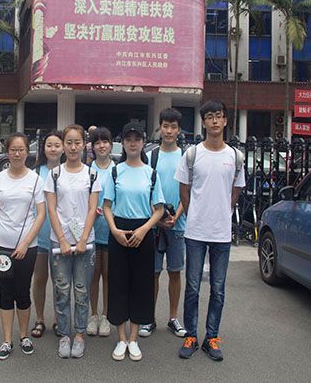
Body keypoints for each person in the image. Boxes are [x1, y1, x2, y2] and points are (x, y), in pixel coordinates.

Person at [175, 100, 246, 361]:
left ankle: (211, 337)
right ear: (203, 122)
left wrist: (222, 213)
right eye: (209, 117)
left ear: (225, 120)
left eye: (219, 116)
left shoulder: (235, 157)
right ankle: (191, 335)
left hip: (221, 234)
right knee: (192, 287)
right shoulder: (192, 154)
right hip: (195, 232)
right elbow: (184, 190)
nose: (214, 121)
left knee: (218, 288)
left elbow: (235, 191)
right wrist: (194, 213)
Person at [102, 122, 165, 362]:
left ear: (143, 142)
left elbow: (159, 209)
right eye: (128, 139)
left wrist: (144, 229)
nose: (132, 143)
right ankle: (121, 338)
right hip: (118, 230)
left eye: (137, 139)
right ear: (123, 143)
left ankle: (134, 338)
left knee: (141, 285)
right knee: (118, 284)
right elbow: (107, 206)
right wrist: (114, 230)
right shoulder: (115, 171)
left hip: (143, 232)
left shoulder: (151, 173)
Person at [0, 133, 46, 360]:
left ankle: (23, 336)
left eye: (21, 150)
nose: (17, 154)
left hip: (27, 248)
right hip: (2, 247)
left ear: (27, 152)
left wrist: (25, 243)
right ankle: (7, 340)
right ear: (7, 152)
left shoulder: (35, 180)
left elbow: (41, 215)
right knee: (5, 293)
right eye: (13, 150)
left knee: (23, 291)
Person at [44, 124, 100, 359]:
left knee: (81, 290)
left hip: (85, 244)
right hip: (59, 243)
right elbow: (51, 209)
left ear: (84, 145)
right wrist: (62, 240)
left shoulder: (92, 174)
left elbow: (92, 208)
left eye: (78, 142)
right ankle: (64, 334)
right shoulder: (54, 174)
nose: (73, 147)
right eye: (69, 142)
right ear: (63, 146)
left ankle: (79, 335)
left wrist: (83, 239)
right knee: (62, 290)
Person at [140, 108, 187, 338]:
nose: (169, 131)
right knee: (153, 273)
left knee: (175, 272)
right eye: (165, 126)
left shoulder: (186, 157)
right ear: (160, 128)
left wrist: (176, 215)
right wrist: (157, 218)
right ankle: (148, 318)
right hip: (155, 224)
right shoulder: (151, 156)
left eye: (173, 127)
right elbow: (145, 190)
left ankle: (173, 318)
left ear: (179, 130)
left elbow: (188, 191)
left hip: (178, 223)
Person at [31, 130, 64, 339]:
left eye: (57, 145)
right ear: (43, 148)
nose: (53, 149)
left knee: (60, 281)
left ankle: (58, 320)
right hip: (40, 236)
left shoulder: (68, 171)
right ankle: (40, 319)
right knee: (40, 278)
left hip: (62, 237)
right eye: (49, 145)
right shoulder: (35, 173)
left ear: (63, 148)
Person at [87, 127, 114, 337]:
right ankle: (93, 315)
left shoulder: (118, 170)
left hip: (112, 232)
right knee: (93, 275)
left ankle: (106, 315)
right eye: (97, 142)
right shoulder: (87, 170)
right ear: (93, 147)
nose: (101, 146)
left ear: (111, 145)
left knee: (108, 275)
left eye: (105, 141)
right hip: (91, 233)